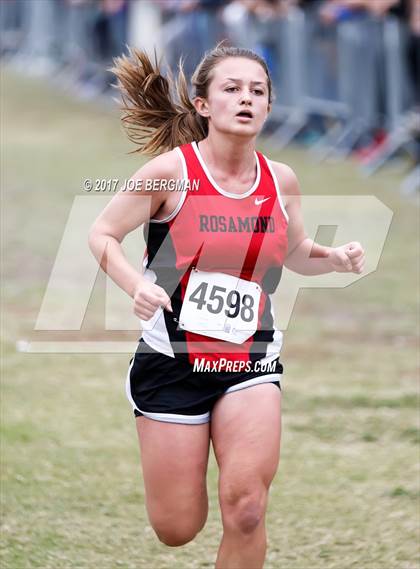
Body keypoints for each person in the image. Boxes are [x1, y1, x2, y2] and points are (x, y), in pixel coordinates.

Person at [88, 44, 365, 569]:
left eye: (257, 91)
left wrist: (333, 257)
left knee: (247, 511)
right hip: (172, 361)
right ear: (203, 106)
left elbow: (297, 253)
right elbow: (101, 233)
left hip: (251, 360)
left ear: (269, 106)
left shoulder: (281, 180)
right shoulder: (171, 172)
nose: (246, 99)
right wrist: (134, 286)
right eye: (232, 89)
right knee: (177, 528)